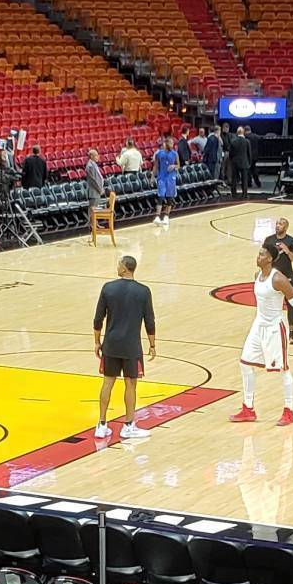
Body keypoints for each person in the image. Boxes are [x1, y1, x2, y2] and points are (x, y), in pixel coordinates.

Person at [231, 241, 293, 426]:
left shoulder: (279, 279)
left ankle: (289, 411)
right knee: (245, 363)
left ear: (271, 259)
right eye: (258, 253)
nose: (258, 257)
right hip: (258, 326)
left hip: (275, 328)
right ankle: (248, 408)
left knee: (282, 369)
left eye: (262, 254)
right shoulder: (257, 275)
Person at [93, 253, 156, 445]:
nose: (117, 266)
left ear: (125, 268)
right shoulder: (143, 291)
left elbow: (98, 319)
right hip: (131, 346)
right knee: (131, 384)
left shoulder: (108, 288)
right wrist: (152, 344)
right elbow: (149, 321)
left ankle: (101, 425)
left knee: (107, 383)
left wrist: (97, 342)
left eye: (119, 264)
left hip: (111, 344)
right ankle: (128, 426)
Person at [153, 137, 179, 229]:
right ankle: (157, 216)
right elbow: (155, 166)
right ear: (166, 144)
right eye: (170, 143)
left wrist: (174, 166)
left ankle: (166, 216)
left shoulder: (175, 154)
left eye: (172, 143)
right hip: (161, 177)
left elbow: (178, 165)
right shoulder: (159, 154)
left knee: (169, 198)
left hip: (171, 178)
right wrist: (152, 177)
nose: (172, 144)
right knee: (160, 196)